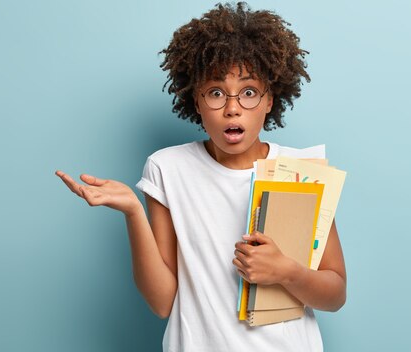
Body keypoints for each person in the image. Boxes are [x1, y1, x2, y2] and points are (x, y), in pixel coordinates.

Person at [55, 2, 346, 351]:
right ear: (196, 100)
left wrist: (286, 271)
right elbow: (162, 302)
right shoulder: (167, 168)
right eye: (216, 92)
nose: (232, 107)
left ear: (270, 99)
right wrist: (133, 212)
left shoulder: (302, 171)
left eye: (249, 92)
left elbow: (335, 295)